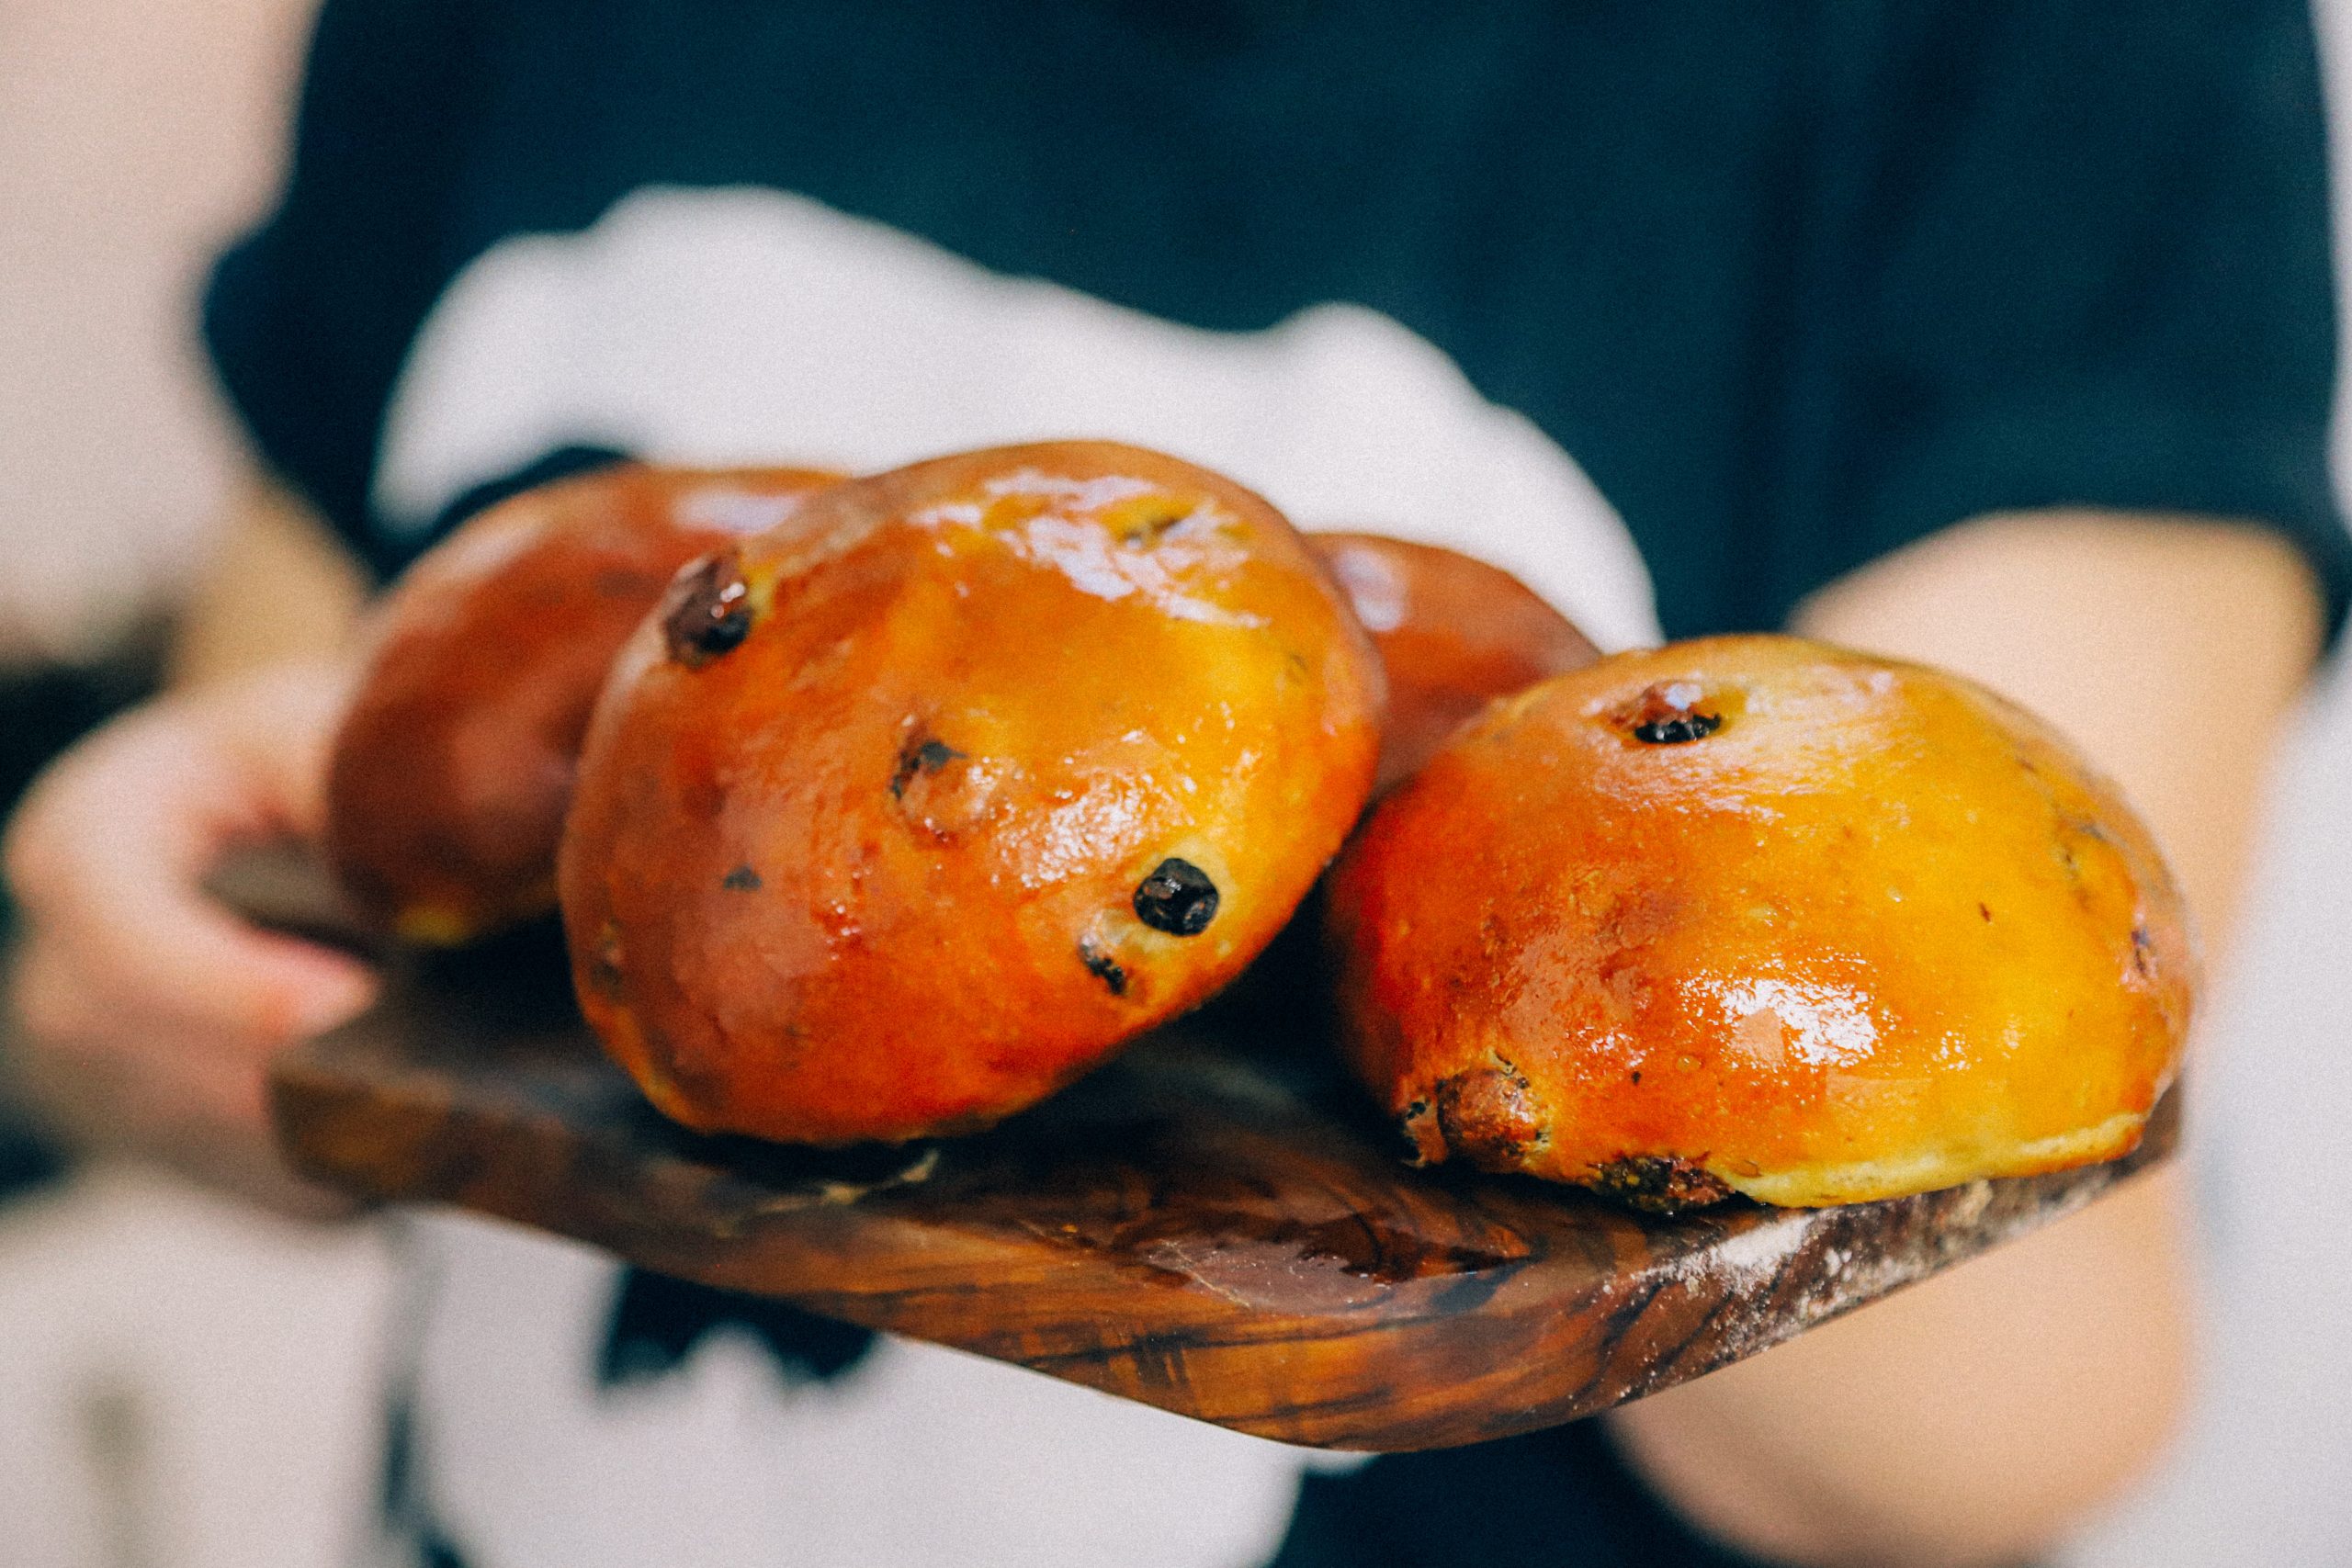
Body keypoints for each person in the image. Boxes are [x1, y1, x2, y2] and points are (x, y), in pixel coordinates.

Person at [5, 2, 2345, 1564]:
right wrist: (130, 983)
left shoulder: (2053, 54)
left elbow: (2021, 1392)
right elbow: (339, 804)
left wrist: (1552, 1059)